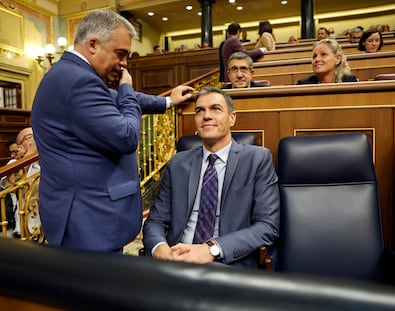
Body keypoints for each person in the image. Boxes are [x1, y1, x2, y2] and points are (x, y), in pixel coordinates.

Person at [31, 9, 194, 252]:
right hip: (89, 220)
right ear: (93, 44)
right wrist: (127, 88)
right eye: (121, 54)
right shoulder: (79, 81)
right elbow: (126, 136)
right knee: (96, 287)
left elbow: (115, 97)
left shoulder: (69, 74)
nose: (125, 63)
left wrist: (168, 101)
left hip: (81, 214)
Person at [143, 87, 280, 269]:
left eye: (215, 108)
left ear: (232, 118)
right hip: (177, 259)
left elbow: (267, 226)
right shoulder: (178, 163)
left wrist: (212, 249)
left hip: (227, 263)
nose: (206, 116)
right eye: (200, 110)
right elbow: (155, 221)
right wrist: (162, 250)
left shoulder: (257, 159)